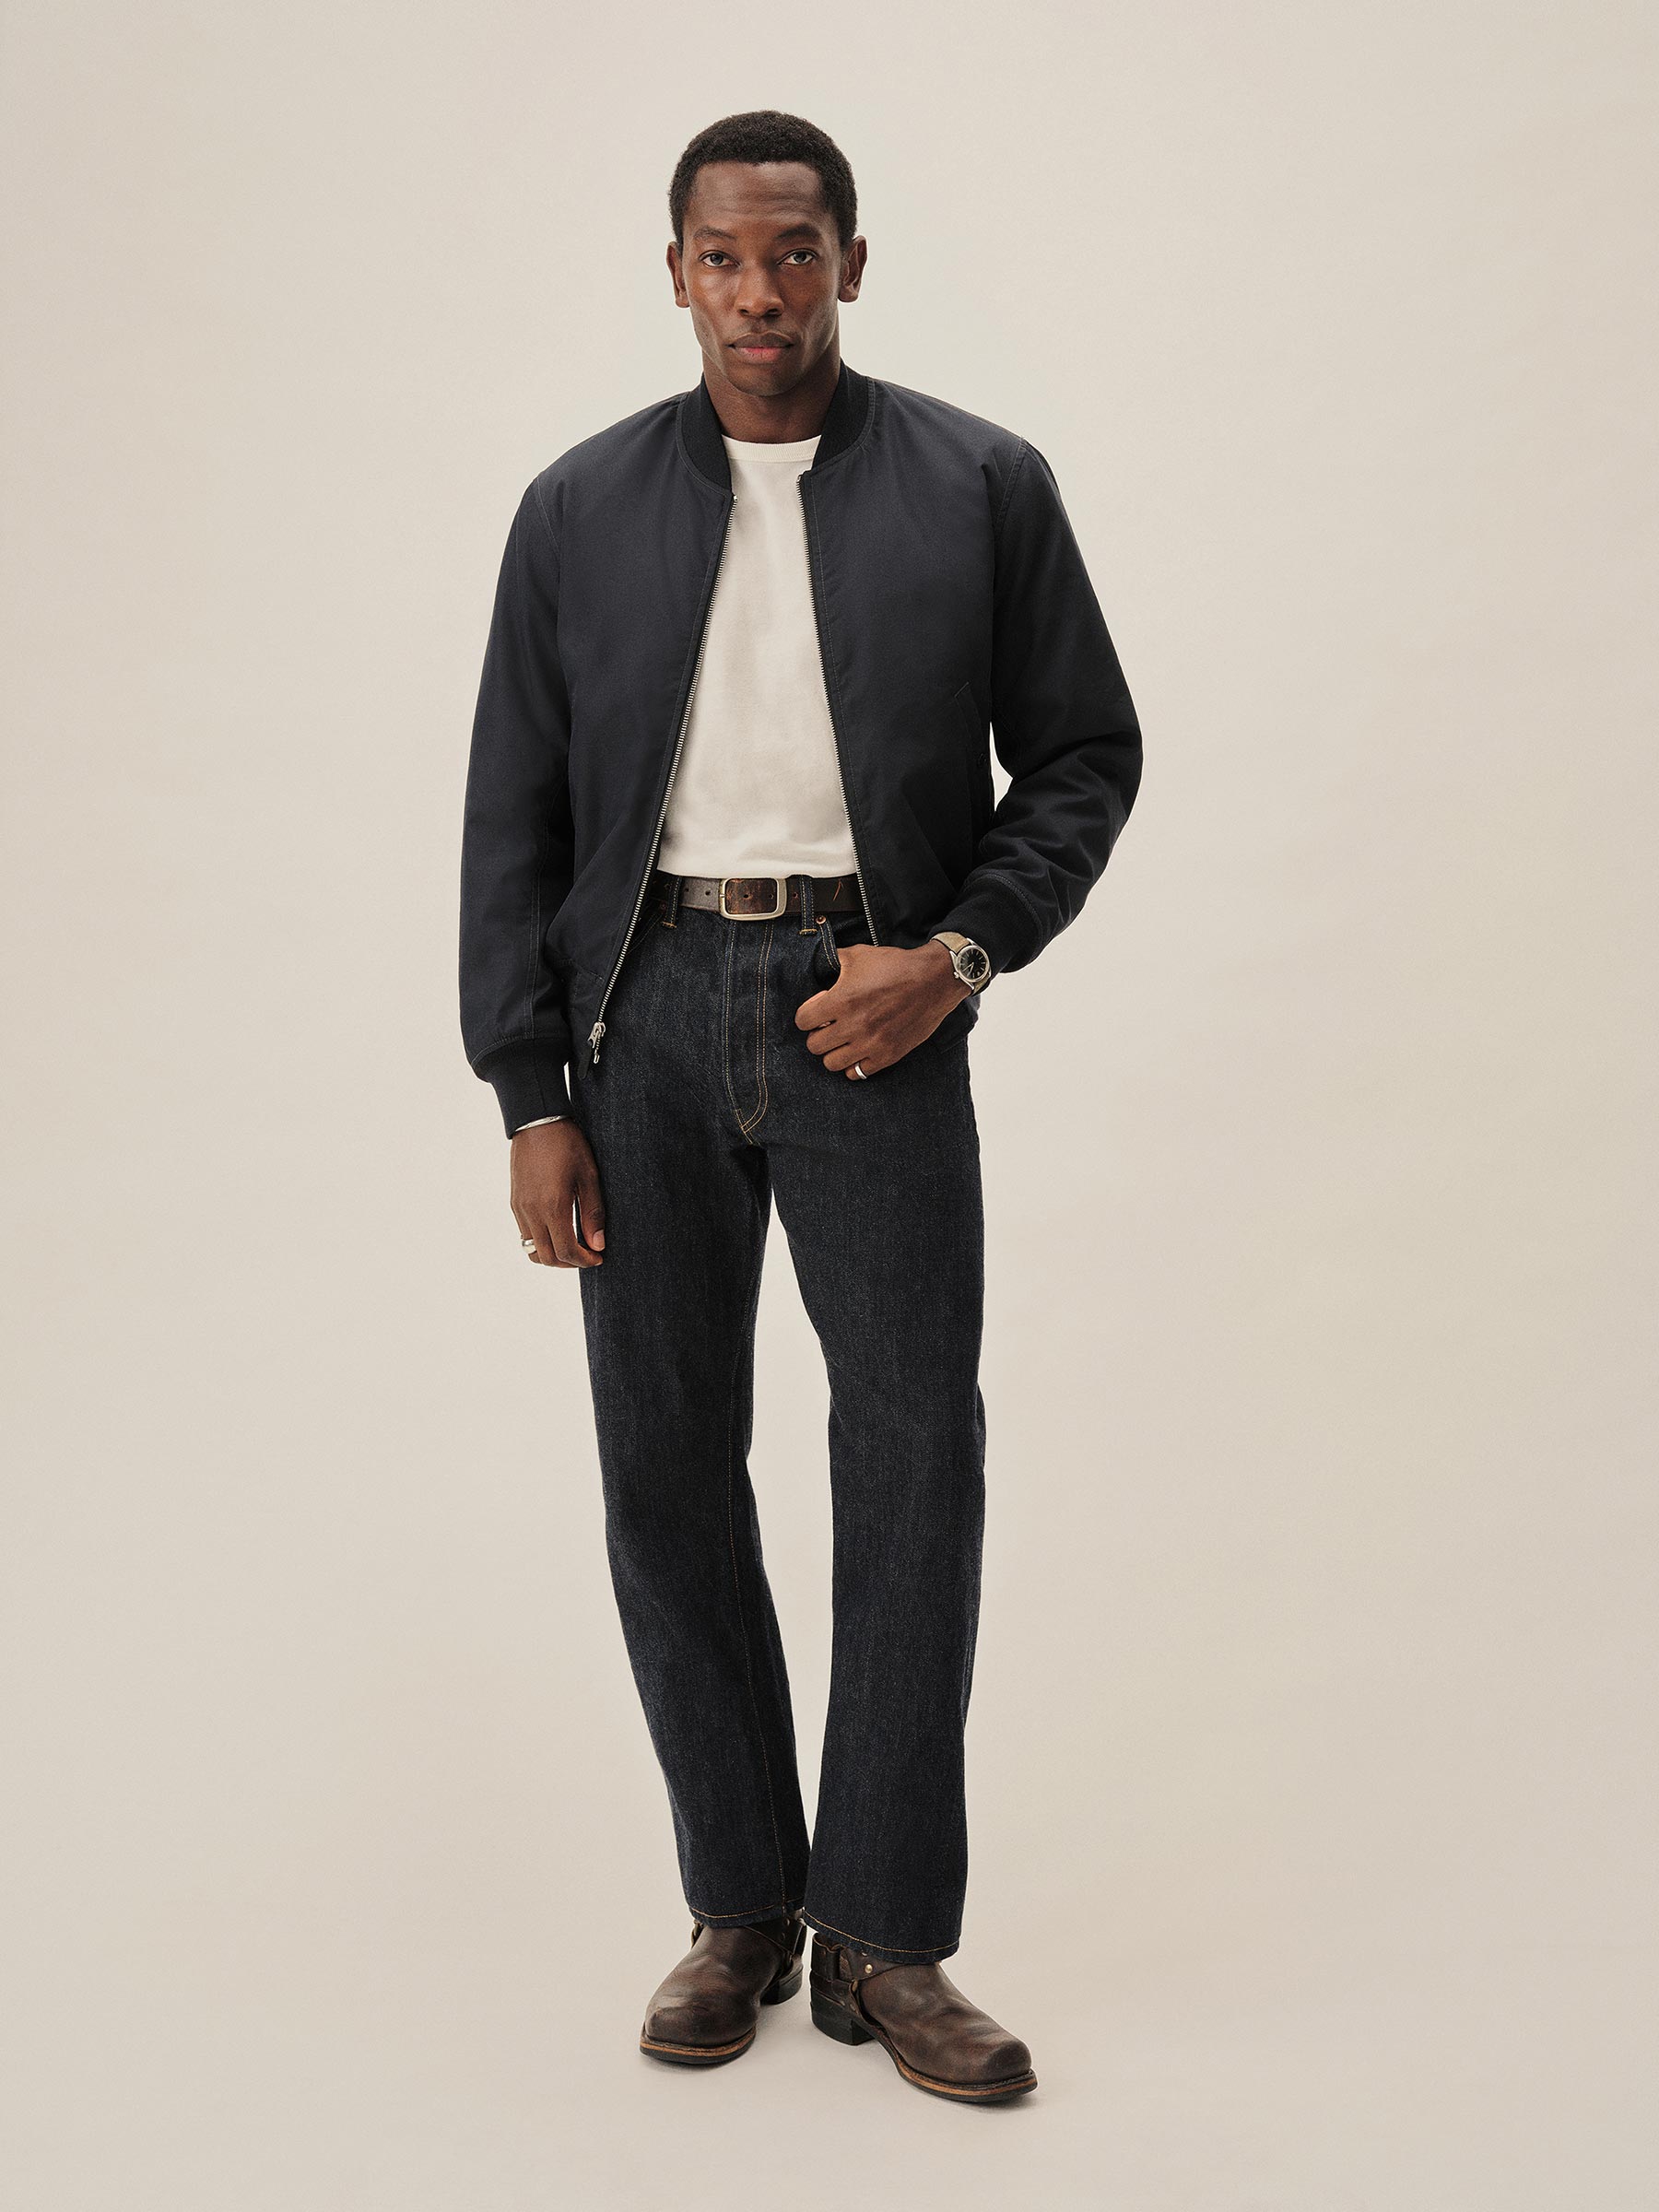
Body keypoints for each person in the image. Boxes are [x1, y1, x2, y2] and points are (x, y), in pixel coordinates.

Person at [458, 107, 1141, 2104]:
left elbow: (1085, 753)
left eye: (793, 251)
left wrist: (960, 955)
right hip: (644, 1014)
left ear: (851, 260)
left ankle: (889, 1933)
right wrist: (529, 1090)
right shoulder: (578, 509)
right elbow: (513, 815)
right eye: (723, 256)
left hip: (874, 1007)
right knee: (666, 1469)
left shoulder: (982, 484)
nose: (759, 291)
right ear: (675, 272)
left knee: (916, 1464)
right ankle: (741, 1903)